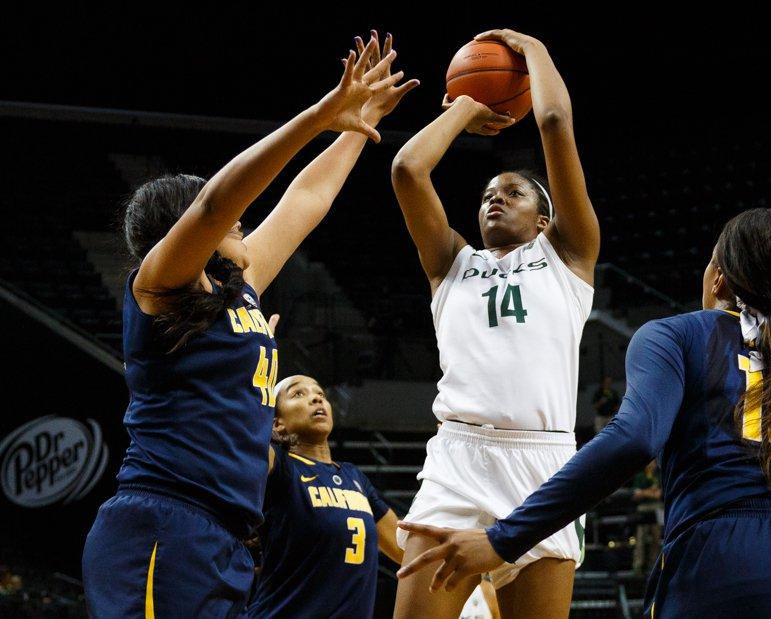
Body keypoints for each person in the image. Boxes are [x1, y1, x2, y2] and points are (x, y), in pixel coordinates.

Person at [397, 209, 771, 617]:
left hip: (728, 560)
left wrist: (503, 538)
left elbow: (634, 439)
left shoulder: (677, 336)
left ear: (718, 276)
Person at [81, 33, 417, 616]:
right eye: (232, 216)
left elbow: (306, 198)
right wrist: (317, 116)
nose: (242, 221)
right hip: (162, 524)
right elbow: (215, 204)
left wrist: (354, 128)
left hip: (228, 538)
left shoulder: (240, 287)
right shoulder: (157, 285)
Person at [389, 28, 600, 618]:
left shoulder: (569, 256)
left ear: (544, 220)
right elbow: (408, 170)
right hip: (459, 456)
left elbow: (555, 123)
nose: (495, 199)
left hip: (546, 465)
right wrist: (464, 108)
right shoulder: (451, 264)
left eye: (512, 192)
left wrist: (534, 50)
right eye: (487, 193)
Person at [247, 372, 402, 618]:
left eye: (320, 394)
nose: (316, 399)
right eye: (298, 393)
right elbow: (240, 446)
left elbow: (403, 549)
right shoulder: (281, 466)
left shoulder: (355, 477)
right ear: (277, 423)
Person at [630, 460, 662, 574]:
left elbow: (659, 494)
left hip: (656, 509)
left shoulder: (659, 475)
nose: (650, 465)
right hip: (642, 509)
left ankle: (654, 566)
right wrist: (649, 492)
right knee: (640, 539)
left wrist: (644, 493)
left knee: (656, 539)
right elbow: (635, 494)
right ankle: (638, 566)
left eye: (652, 462)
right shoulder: (640, 476)